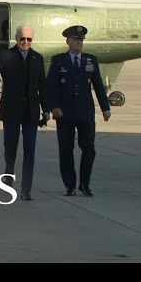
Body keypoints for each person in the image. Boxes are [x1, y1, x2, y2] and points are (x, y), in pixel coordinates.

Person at [0, 25, 49, 201]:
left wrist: (46, 110)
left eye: (29, 39)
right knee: (10, 150)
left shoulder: (37, 58)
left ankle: (26, 189)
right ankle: (8, 177)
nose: (25, 42)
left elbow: (42, 85)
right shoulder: (6, 55)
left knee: (30, 151)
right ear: (16, 38)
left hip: (31, 112)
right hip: (11, 110)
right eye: (22, 39)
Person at [46, 25, 111, 197]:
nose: (79, 43)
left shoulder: (90, 60)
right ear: (68, 41)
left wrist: (105, 108)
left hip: (85, 112)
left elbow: (97, 85)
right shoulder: (59, 60)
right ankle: (70, 185)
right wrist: (54, 107)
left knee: (89, 148)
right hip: (64, 113)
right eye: (75, 40)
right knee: (66, 150)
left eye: (81, 40)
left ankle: (84, 183)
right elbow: (50, 87)